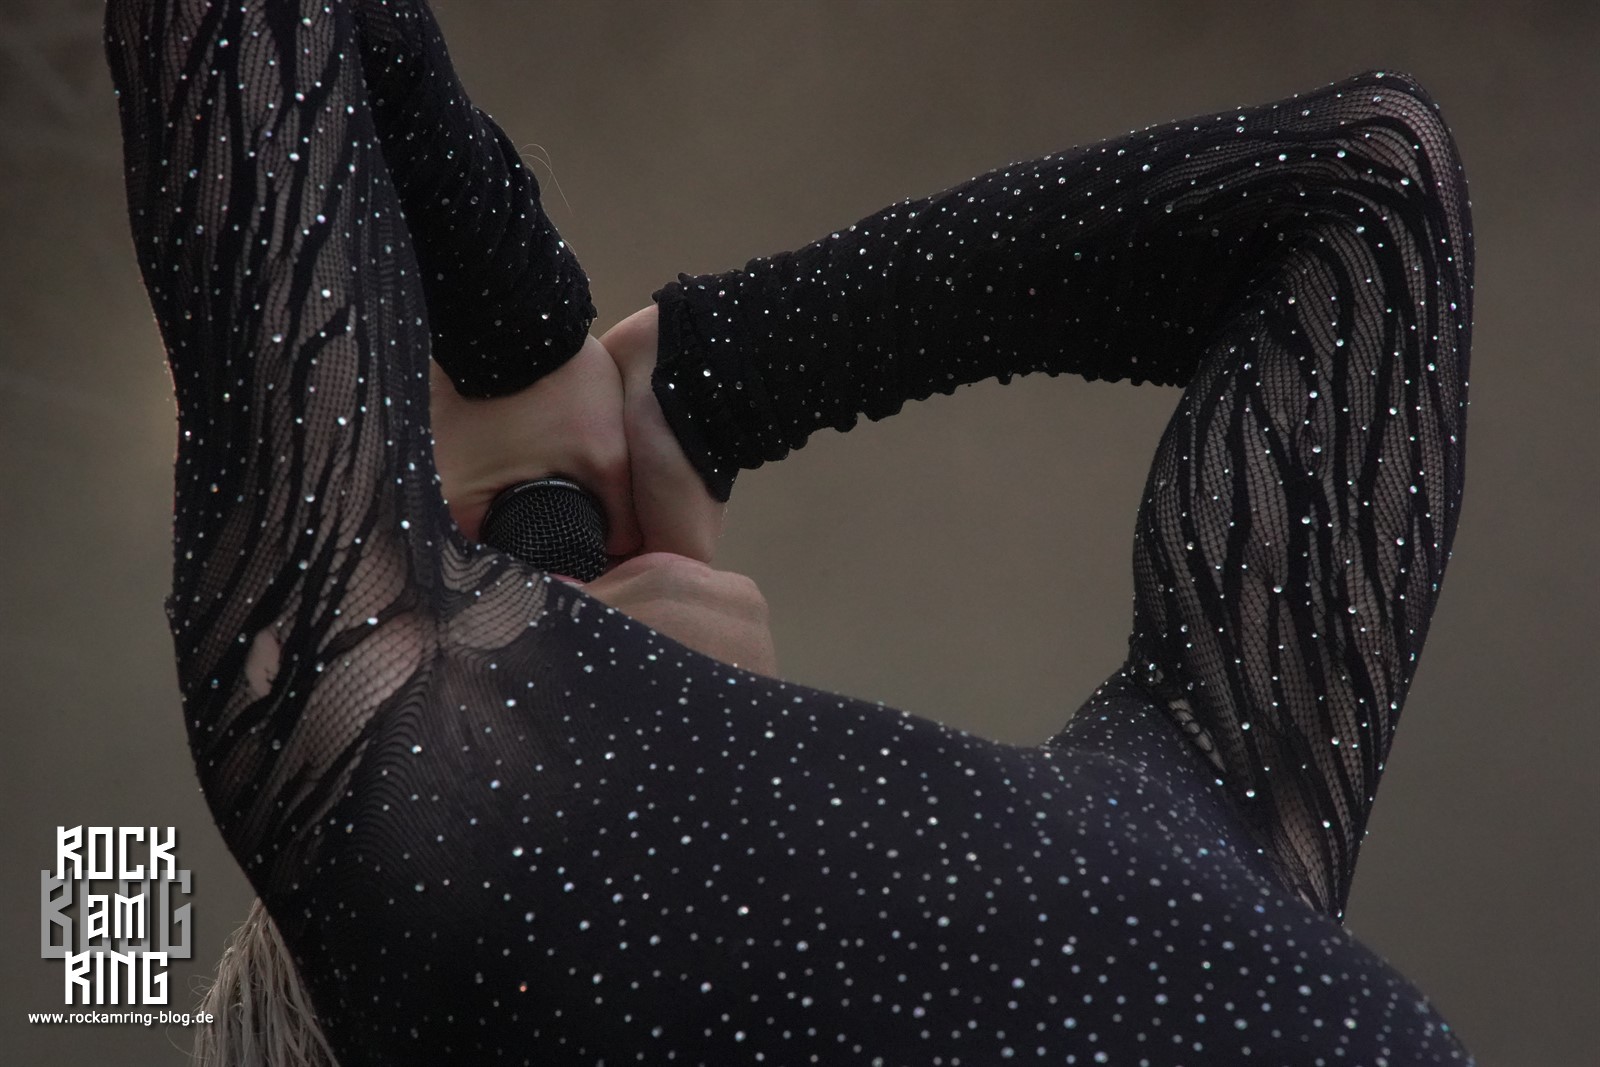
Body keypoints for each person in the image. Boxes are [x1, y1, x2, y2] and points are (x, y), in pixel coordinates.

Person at [106, 0, 1475, 1063]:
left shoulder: (1203, 835)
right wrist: (538, 361)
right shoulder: (413, 846)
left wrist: (714, 381)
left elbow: (1369, 187)